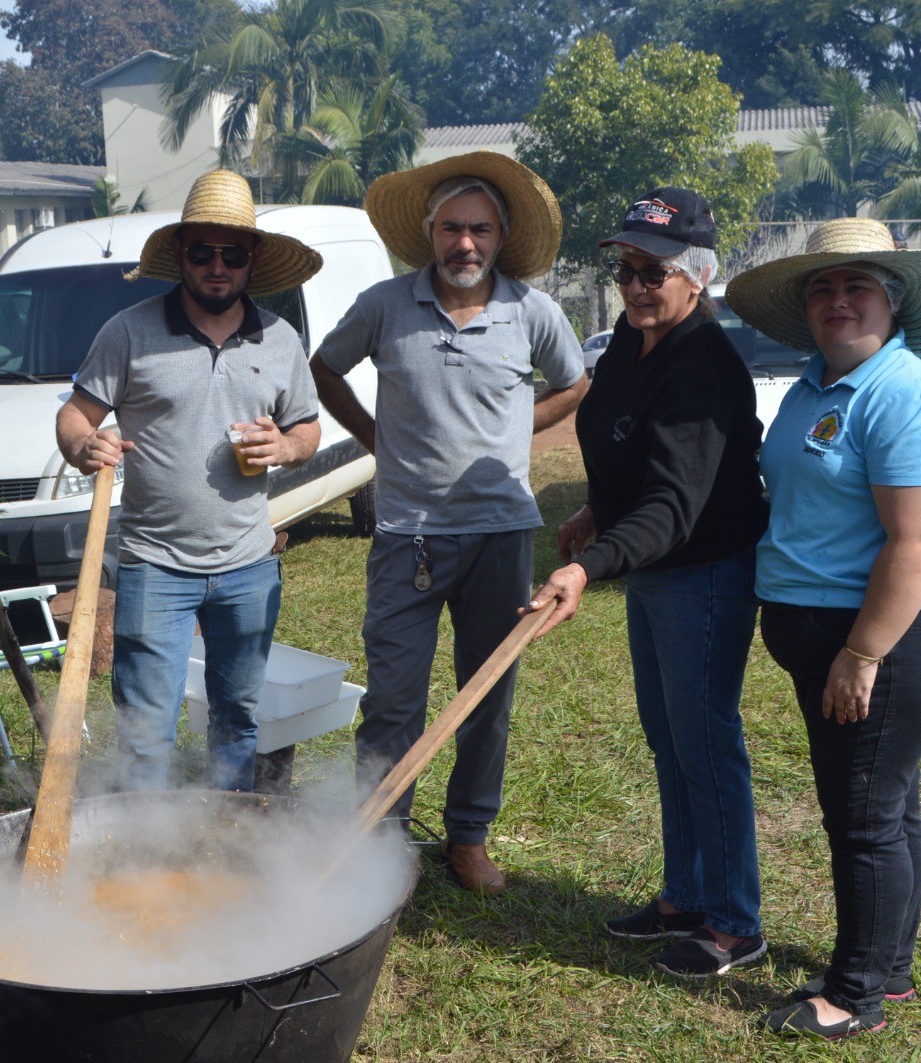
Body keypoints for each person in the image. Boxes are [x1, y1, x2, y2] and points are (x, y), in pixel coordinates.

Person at [727, 217, 921, 1039]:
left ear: (893, 302)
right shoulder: (813, 387)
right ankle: (887, 967)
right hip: (834, 636)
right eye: (823, 288)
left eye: (857, 285)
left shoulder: (904, 390)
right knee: (887, 806)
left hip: (889, 642)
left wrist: (863, 651)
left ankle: (855, 995)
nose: (838, 300)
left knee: (863, 815)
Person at [310, 151, 586, 895]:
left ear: (500, 238)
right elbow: (325, 368)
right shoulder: (383, 305)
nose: (465, 243)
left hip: (500, 533)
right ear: (429, 234)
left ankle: (467, 837)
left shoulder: (531, 311)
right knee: (393, 699)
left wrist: (515, 430)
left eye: (481, 230)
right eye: (452, 228)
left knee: (487, 695)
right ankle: (380, 842)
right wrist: (374, 437)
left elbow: (575, 382)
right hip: (407, 533)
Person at [526, 188, 770, 978]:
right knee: (669, 738)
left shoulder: (704, 366)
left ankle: (735, 922)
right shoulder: (632, 346)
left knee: (704, 740)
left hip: (702, 572)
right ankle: (686, 895)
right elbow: (633, 455)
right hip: (653, 567)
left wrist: (586, 566)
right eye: (627, 267)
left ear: (697, 277)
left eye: (654, 271)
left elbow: (675, 501)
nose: (636, 285)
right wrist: (598, 509)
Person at [56, 169, 323, 792]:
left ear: (253, 259)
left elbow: (308, 429)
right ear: (181, 254)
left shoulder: (280, 340)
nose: (217, 266)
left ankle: (224, 840)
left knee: (236, 718)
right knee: (146, 728)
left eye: (232, 254)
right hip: (154, 568)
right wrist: (82, 445)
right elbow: (76, 414)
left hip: (250, 567)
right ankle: (145, 854)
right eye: (202, 252)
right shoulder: (129, 332)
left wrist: (284, 444)